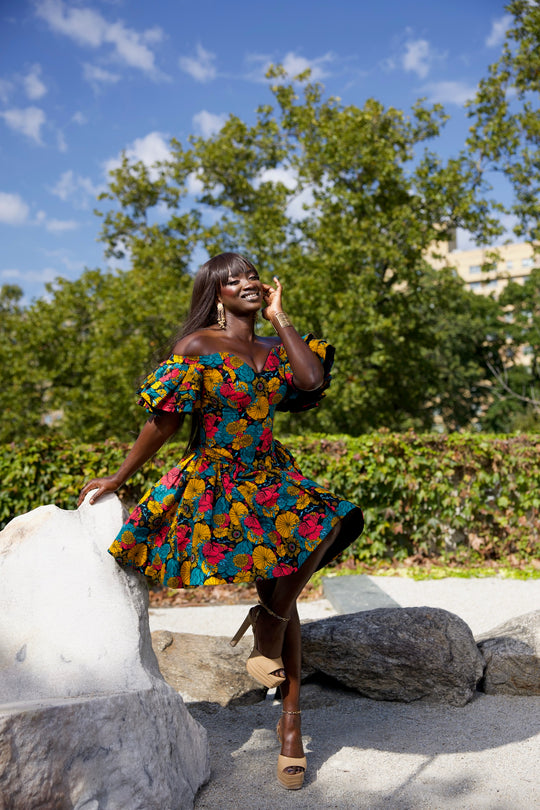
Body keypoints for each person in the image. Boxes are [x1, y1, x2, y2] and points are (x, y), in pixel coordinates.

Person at [78, 252, 363, 790]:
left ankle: (270, 640)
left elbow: (310, 379)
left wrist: (282, 318)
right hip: (218, 481)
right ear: (217, 295)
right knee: (285, 589)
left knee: (330, 521)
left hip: (271, 474)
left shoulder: (277, 347)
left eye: (252, 275)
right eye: (233, 280)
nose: (247, 283)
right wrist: (118, 477)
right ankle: (287, 708)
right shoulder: (197, 348)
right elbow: (162, 423)